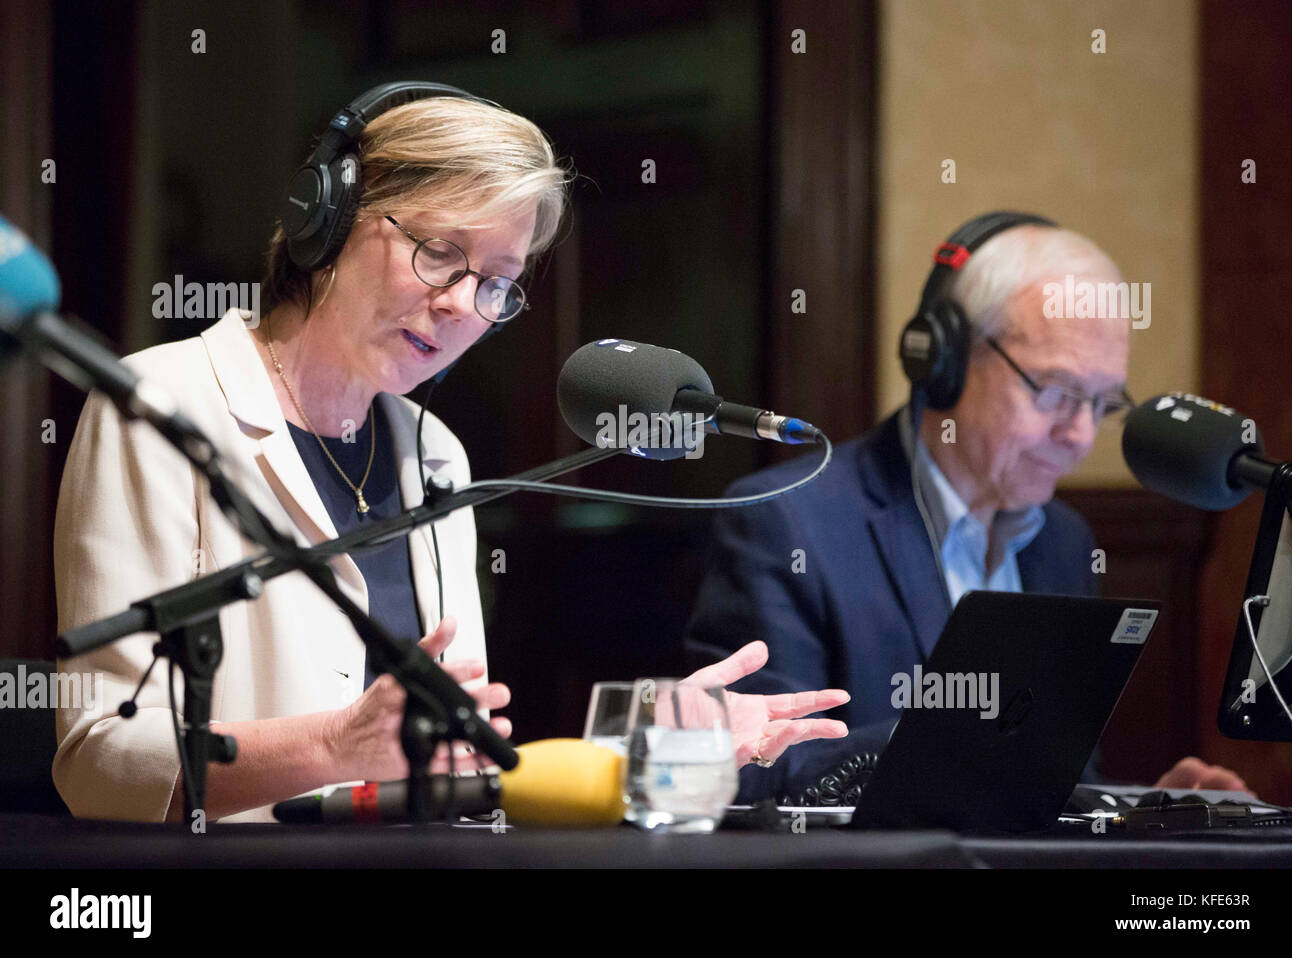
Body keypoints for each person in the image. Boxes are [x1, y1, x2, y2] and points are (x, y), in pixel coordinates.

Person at [52, 83, 848, 823]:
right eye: (439, 254)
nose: (462, 306)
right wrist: (331, 747)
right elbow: (99, 762)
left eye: (496, 283)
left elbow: (456, 767)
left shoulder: (435, 454)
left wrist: (652, 751)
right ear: (325, 221)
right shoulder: (157, 409)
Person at [685, 211, 1250, 802]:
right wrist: (962, 739)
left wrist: (1126, 809)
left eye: (1103, 403)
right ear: (945, 361)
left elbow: (1050, 780)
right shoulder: (784, 522)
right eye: (1056, 392)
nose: (1081, 435)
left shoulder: (1065, 541)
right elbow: (756, 771)